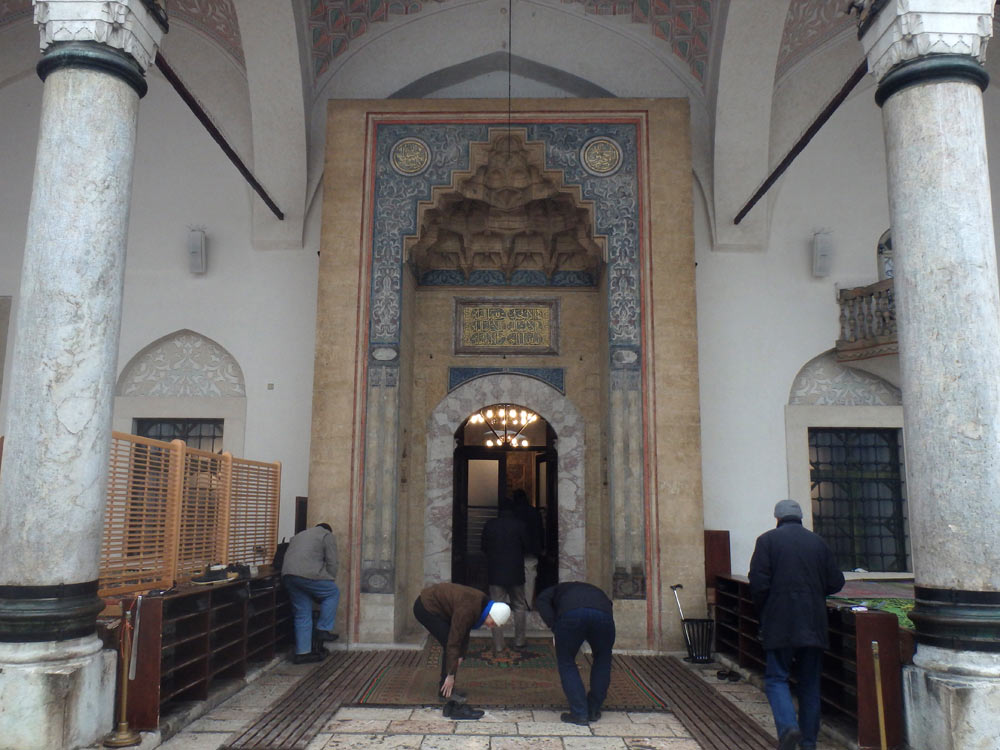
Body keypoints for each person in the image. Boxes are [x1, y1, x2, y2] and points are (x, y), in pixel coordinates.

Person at [749, 499, 845, 750]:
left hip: (779, 621)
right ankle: (809, 743)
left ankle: (788, 728)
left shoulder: (767, 541)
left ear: (777, 518)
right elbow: (836, 582)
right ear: (801, 518)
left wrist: (765, 613)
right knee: (810, 684)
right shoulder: (818, 543)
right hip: (813, 623)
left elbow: (758, 585)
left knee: (776, 678)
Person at [413, 581, 511, 720]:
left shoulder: (481, 605)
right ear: (491, 615)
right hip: (426, 607)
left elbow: (464, 630)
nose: (490, 627)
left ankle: (447, 687)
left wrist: (461, 655)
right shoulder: (469, 608)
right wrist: (451, 675)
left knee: (455, 649)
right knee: (450, 643)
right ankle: (445, 691)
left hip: (438, 606)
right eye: (493, 623)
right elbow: (454, 640)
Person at [535, 581, 615, 726]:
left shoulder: (553, 590)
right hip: (603, 616)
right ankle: (593, 710)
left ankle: (579, 713)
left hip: (570, 616)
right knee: (603, 659)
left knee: (567, 662)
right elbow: (608, 605)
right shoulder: (595, 589)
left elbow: (541, 601)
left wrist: (554, 625)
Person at [281, 523, 341, 664]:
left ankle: (303, 653)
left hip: (288, 575)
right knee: (332, 593)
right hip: (307, 575)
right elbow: (332, 563)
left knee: (302, 613)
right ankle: (323, 629)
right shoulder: (327, 535)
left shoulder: (299, 535)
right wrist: (329, 580)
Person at [480, 499, 530, 653]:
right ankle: (520, 641)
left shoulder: (490, 525)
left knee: (496, 608)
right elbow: (527, 546)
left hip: (496, 572)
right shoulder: (520, 525)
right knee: (519, 606)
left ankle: (498, 644)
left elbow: (483, 547)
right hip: (516, 572)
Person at [510, 488, 545, 606]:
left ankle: (515, 604)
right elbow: (540, 531)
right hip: (531, 551)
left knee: (513, 579)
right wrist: (542, 548)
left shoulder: (512, 513)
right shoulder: (534, 512)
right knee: (530, 578)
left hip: (514, 552)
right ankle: (528, 604)